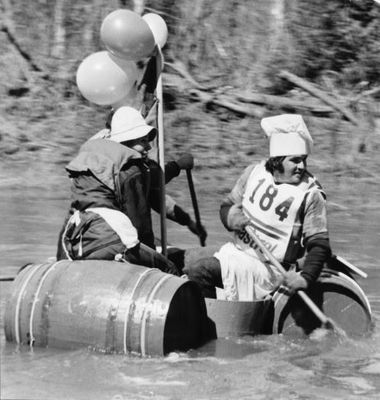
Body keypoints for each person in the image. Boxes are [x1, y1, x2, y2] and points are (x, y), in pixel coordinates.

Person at [184, 114, 332, 300]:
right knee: (185, 261)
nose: (302, 166)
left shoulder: (311, 194)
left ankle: (207, 326)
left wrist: (305, 279)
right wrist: (230, 217)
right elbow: (227, 205)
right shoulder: (254, 172)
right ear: (277, 160)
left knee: (200, 271)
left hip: (270, 271)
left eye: (304, 159)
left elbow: (320, 244)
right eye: (295, 160)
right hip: (237, 253)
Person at [56, 106, 206, 275]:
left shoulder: (97, 152)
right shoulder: (130, 169)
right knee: (169, 270)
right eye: (143, 141)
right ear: (127, 139)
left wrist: (187, 220)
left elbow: (153, 182)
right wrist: (153, 263)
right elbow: (139, 222)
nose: (149, 146)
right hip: (113, 239)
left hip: (79, 238)